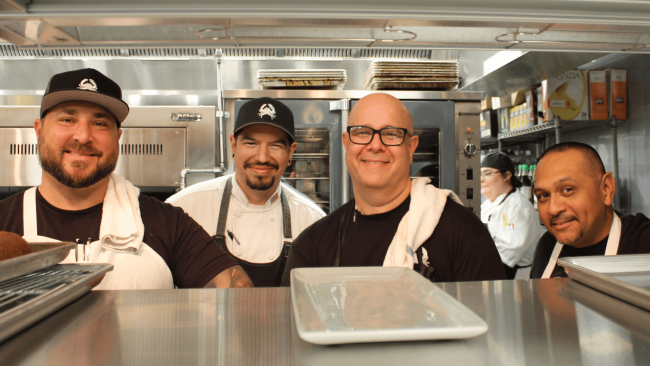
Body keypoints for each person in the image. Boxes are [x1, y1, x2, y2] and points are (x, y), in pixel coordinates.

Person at [0, 68, 252, 290]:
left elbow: (237, 288)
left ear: (117, 137)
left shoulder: (166, 224)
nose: (83, 136)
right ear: (39, 129)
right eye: (68, 119)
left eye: (99, 123)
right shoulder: (4, 221)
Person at [281, 93, 506, 285]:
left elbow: (489, 327)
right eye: (362, 132)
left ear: (411, 147)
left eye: (391, 134)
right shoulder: (312, 245)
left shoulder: (463, 233)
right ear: (346, 143)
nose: (376, 145)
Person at [166, 97, 325, 287]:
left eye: (275, 145)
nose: (262, 157)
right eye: (251, 144)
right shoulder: (184, 209)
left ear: (291, 152)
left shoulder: (313, 222)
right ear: (233, 145)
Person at [530, 142, 650, 278]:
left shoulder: (644, 242)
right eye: (544, 195)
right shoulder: (547, 245)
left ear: (606, 189)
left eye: (567, 190)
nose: (553, 209)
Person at [481, 152, 543, 279]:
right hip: (493, 271)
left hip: (514, 278)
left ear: (507, 176)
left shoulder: (519, 206)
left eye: (488, 173)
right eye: (480, 174)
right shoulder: (487, 205)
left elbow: (509, 253)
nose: (481, 179)